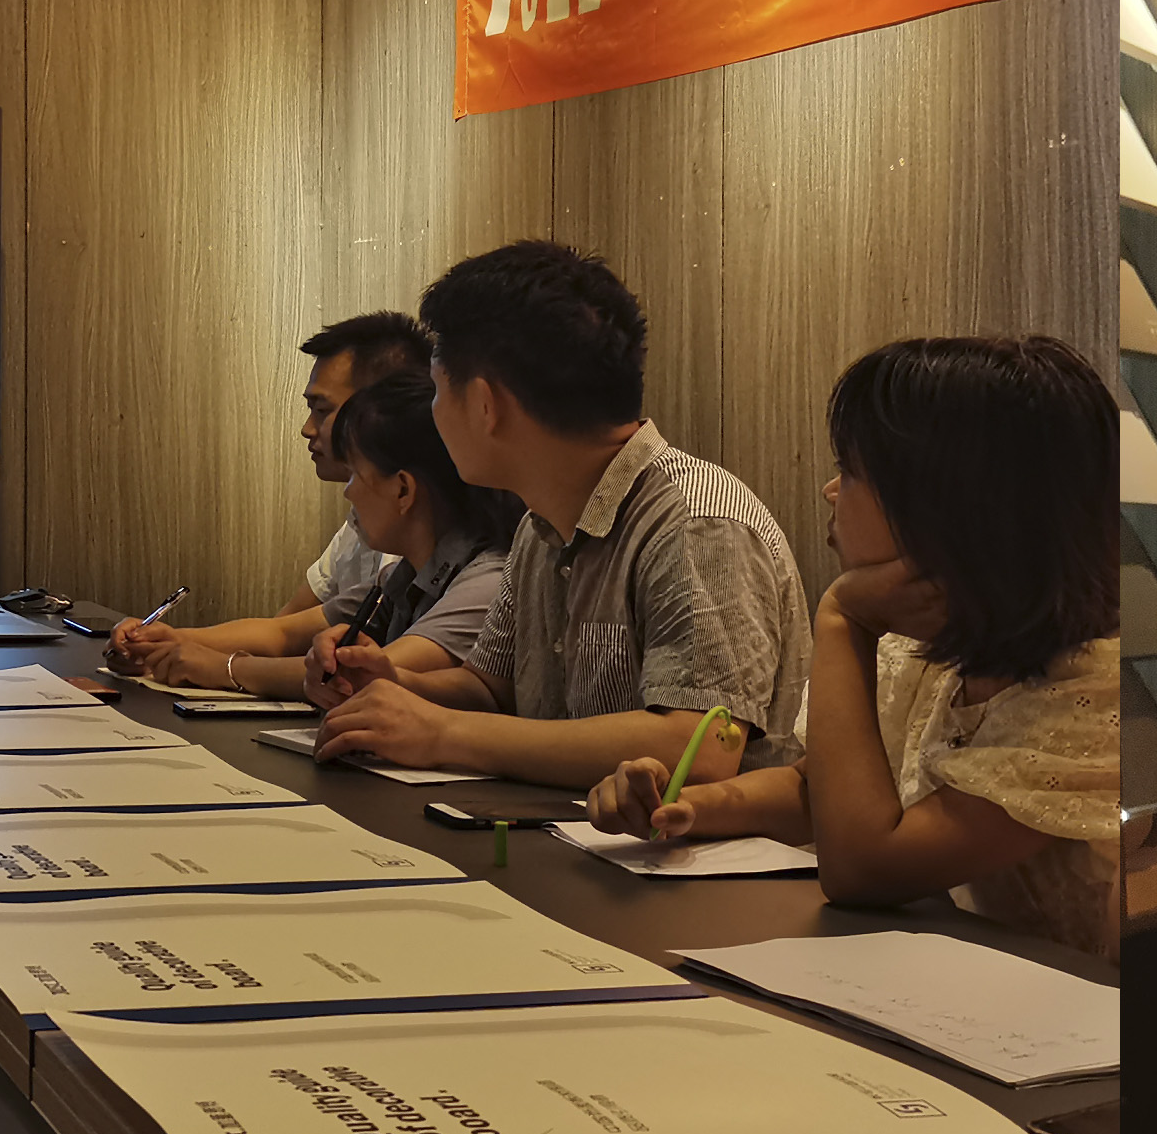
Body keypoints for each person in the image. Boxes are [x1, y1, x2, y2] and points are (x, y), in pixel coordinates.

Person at [584, 336, 1126, 956]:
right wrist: (682, 805)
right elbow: (816, 791)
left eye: (850, 471)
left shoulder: (1090, 695)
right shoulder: (924, 656)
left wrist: (842, 616)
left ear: (945, 510)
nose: (830, 490)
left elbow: (865, 868)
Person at [314, 242, 806, 790]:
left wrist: (444, 733)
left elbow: (700, 749)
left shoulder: (696, 524)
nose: (432, 413)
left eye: (436, 389)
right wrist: (392, 684)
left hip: (695, 846)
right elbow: (491, 690)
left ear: (485, 405)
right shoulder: (539, 527)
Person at [112, 311, 432, 693]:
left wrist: (224, 668)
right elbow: (283, 632)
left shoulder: (438, 554)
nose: (307, 429)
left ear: (379, 409)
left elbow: (371, 673)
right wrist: (166, 643)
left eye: (323, 410)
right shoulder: (374, 540)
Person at [280, 371, 519, 701]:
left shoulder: (487, 579)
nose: (348, 492)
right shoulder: (401, 576)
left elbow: (357, 676)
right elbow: (285, 632)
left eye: (355, 474)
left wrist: (227, 667)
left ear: (403, 489)